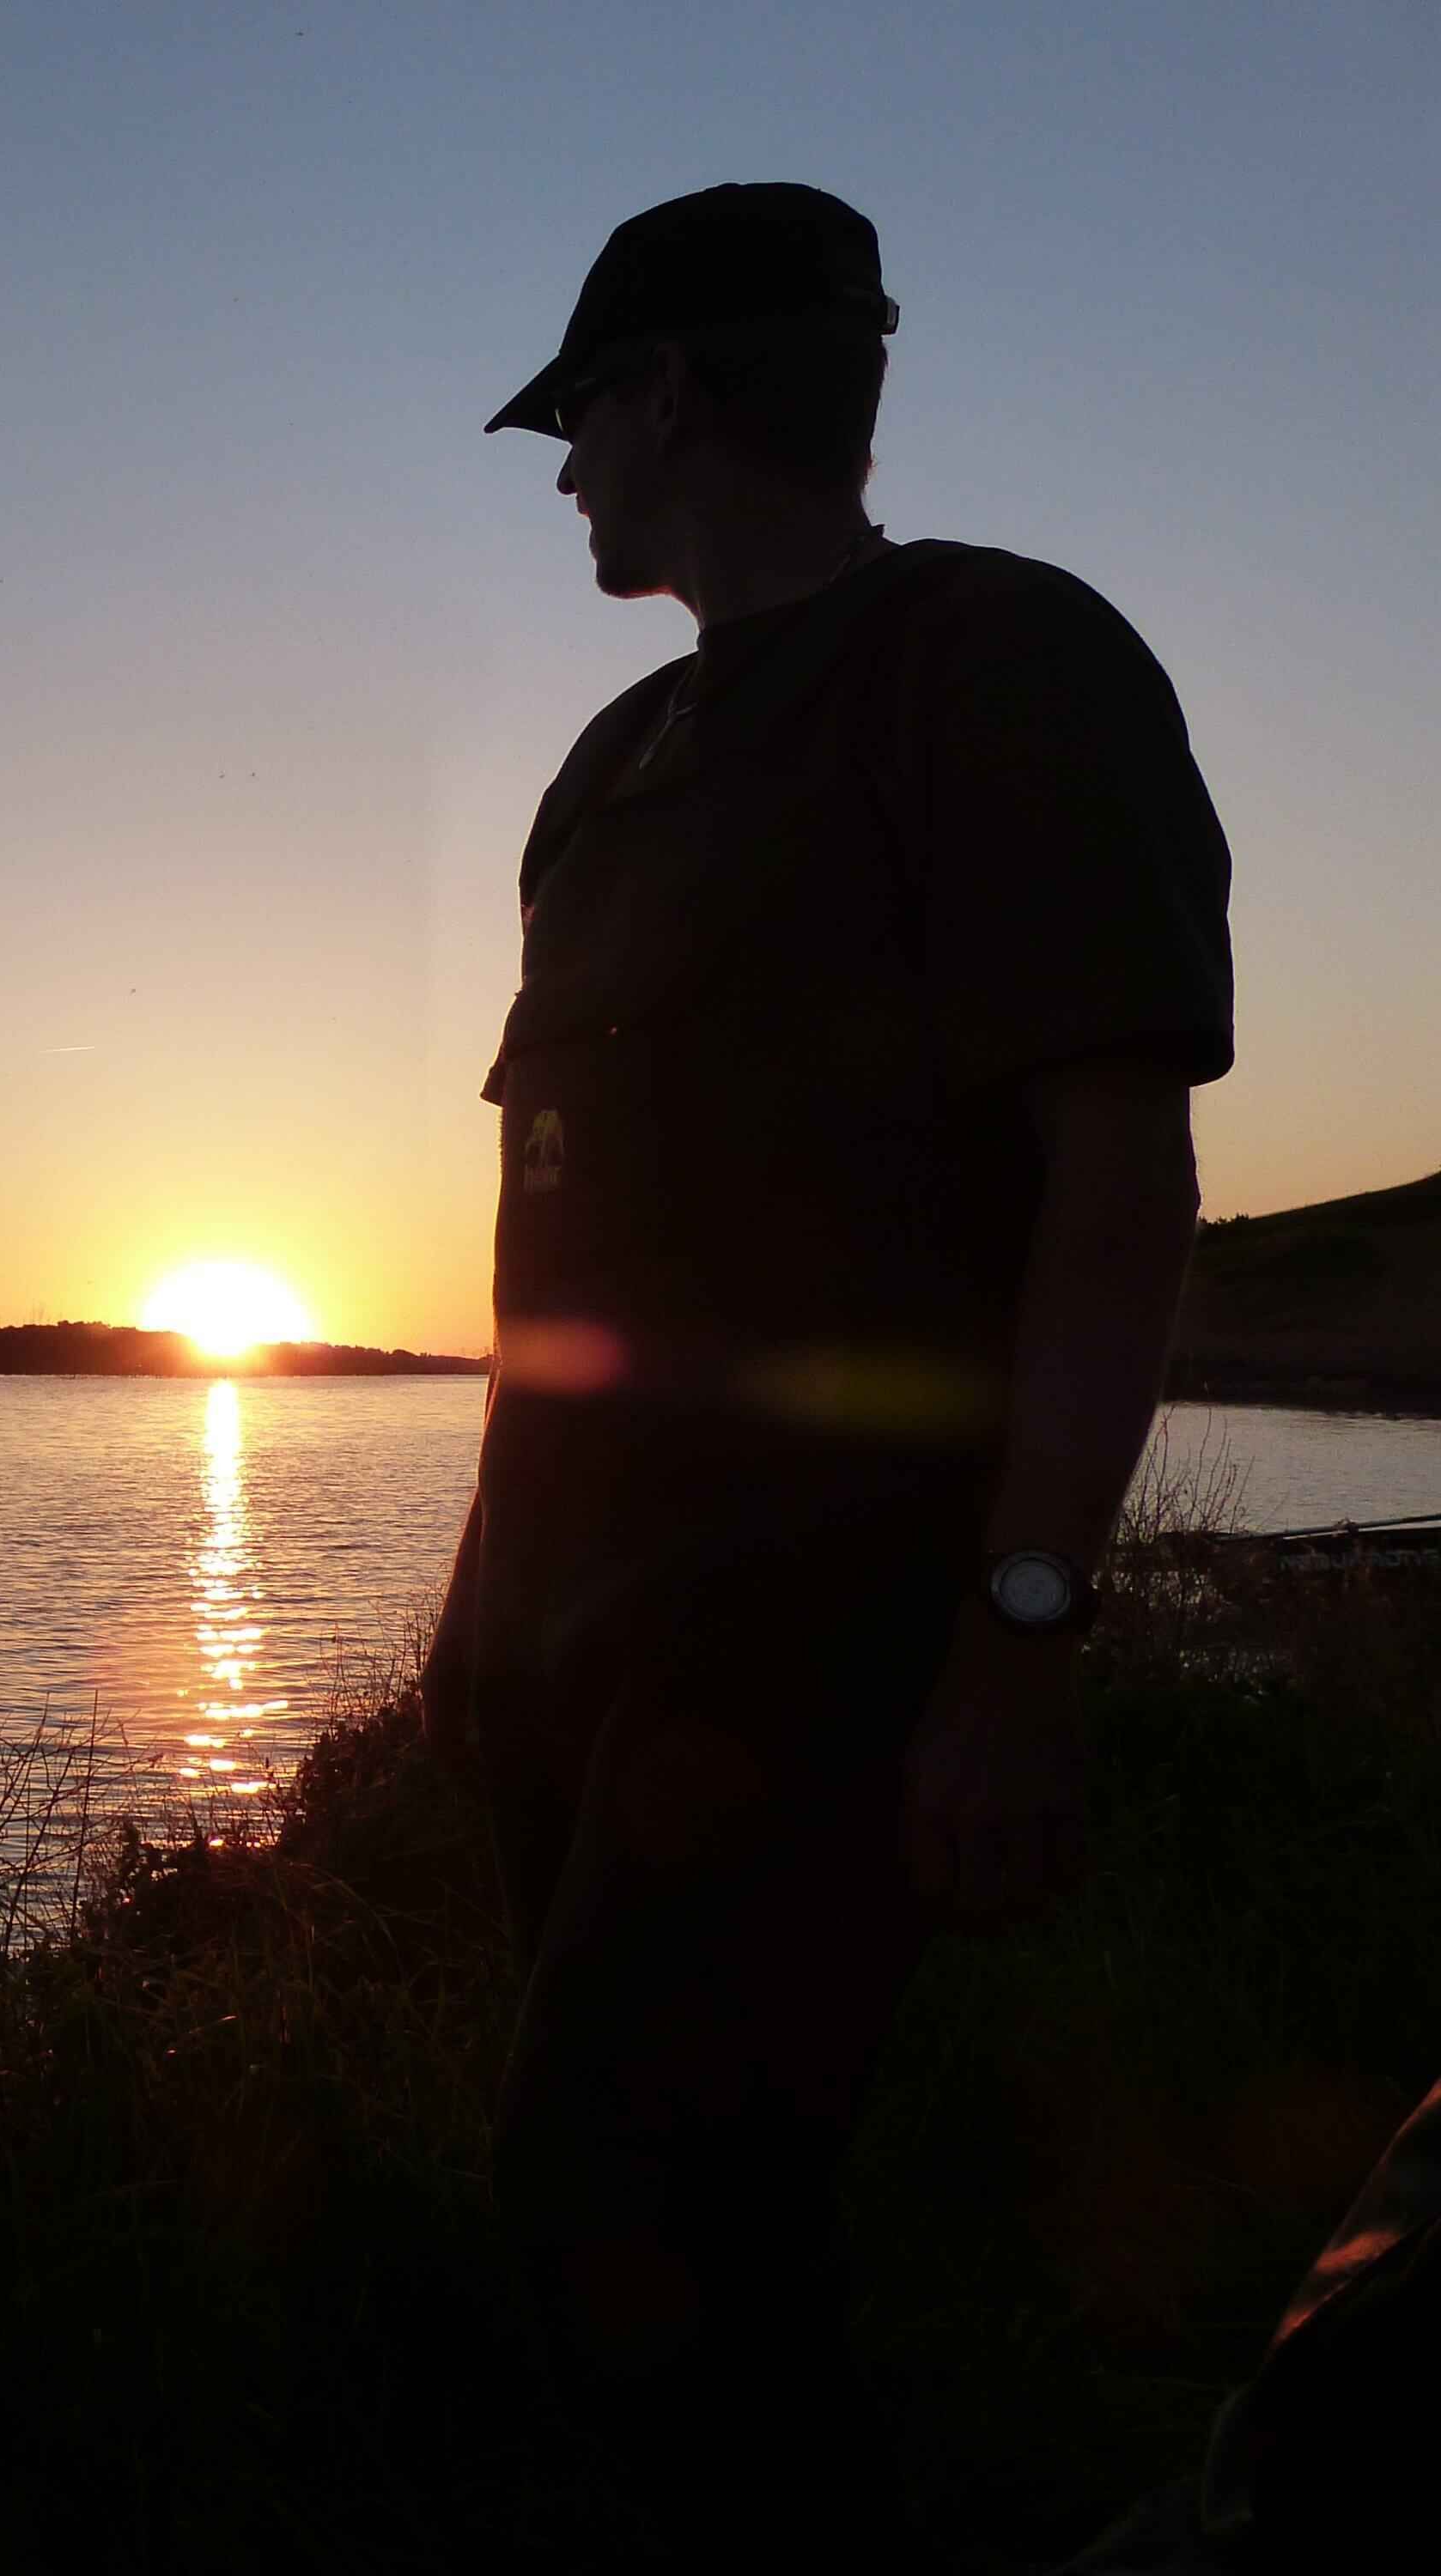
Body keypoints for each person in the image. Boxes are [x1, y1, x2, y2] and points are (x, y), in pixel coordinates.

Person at [425, 183, 1235, 2564]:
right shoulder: (617, 758)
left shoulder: (989, 661)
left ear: (669, 393)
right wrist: (481, 1613)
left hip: (825, 1627)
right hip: (571, 1646)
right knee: (694, 2243)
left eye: (578, 416)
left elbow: (1121, 1192)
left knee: (610, 2205)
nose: (563, 472)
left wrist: (1022, 1634)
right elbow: (548, 1236)